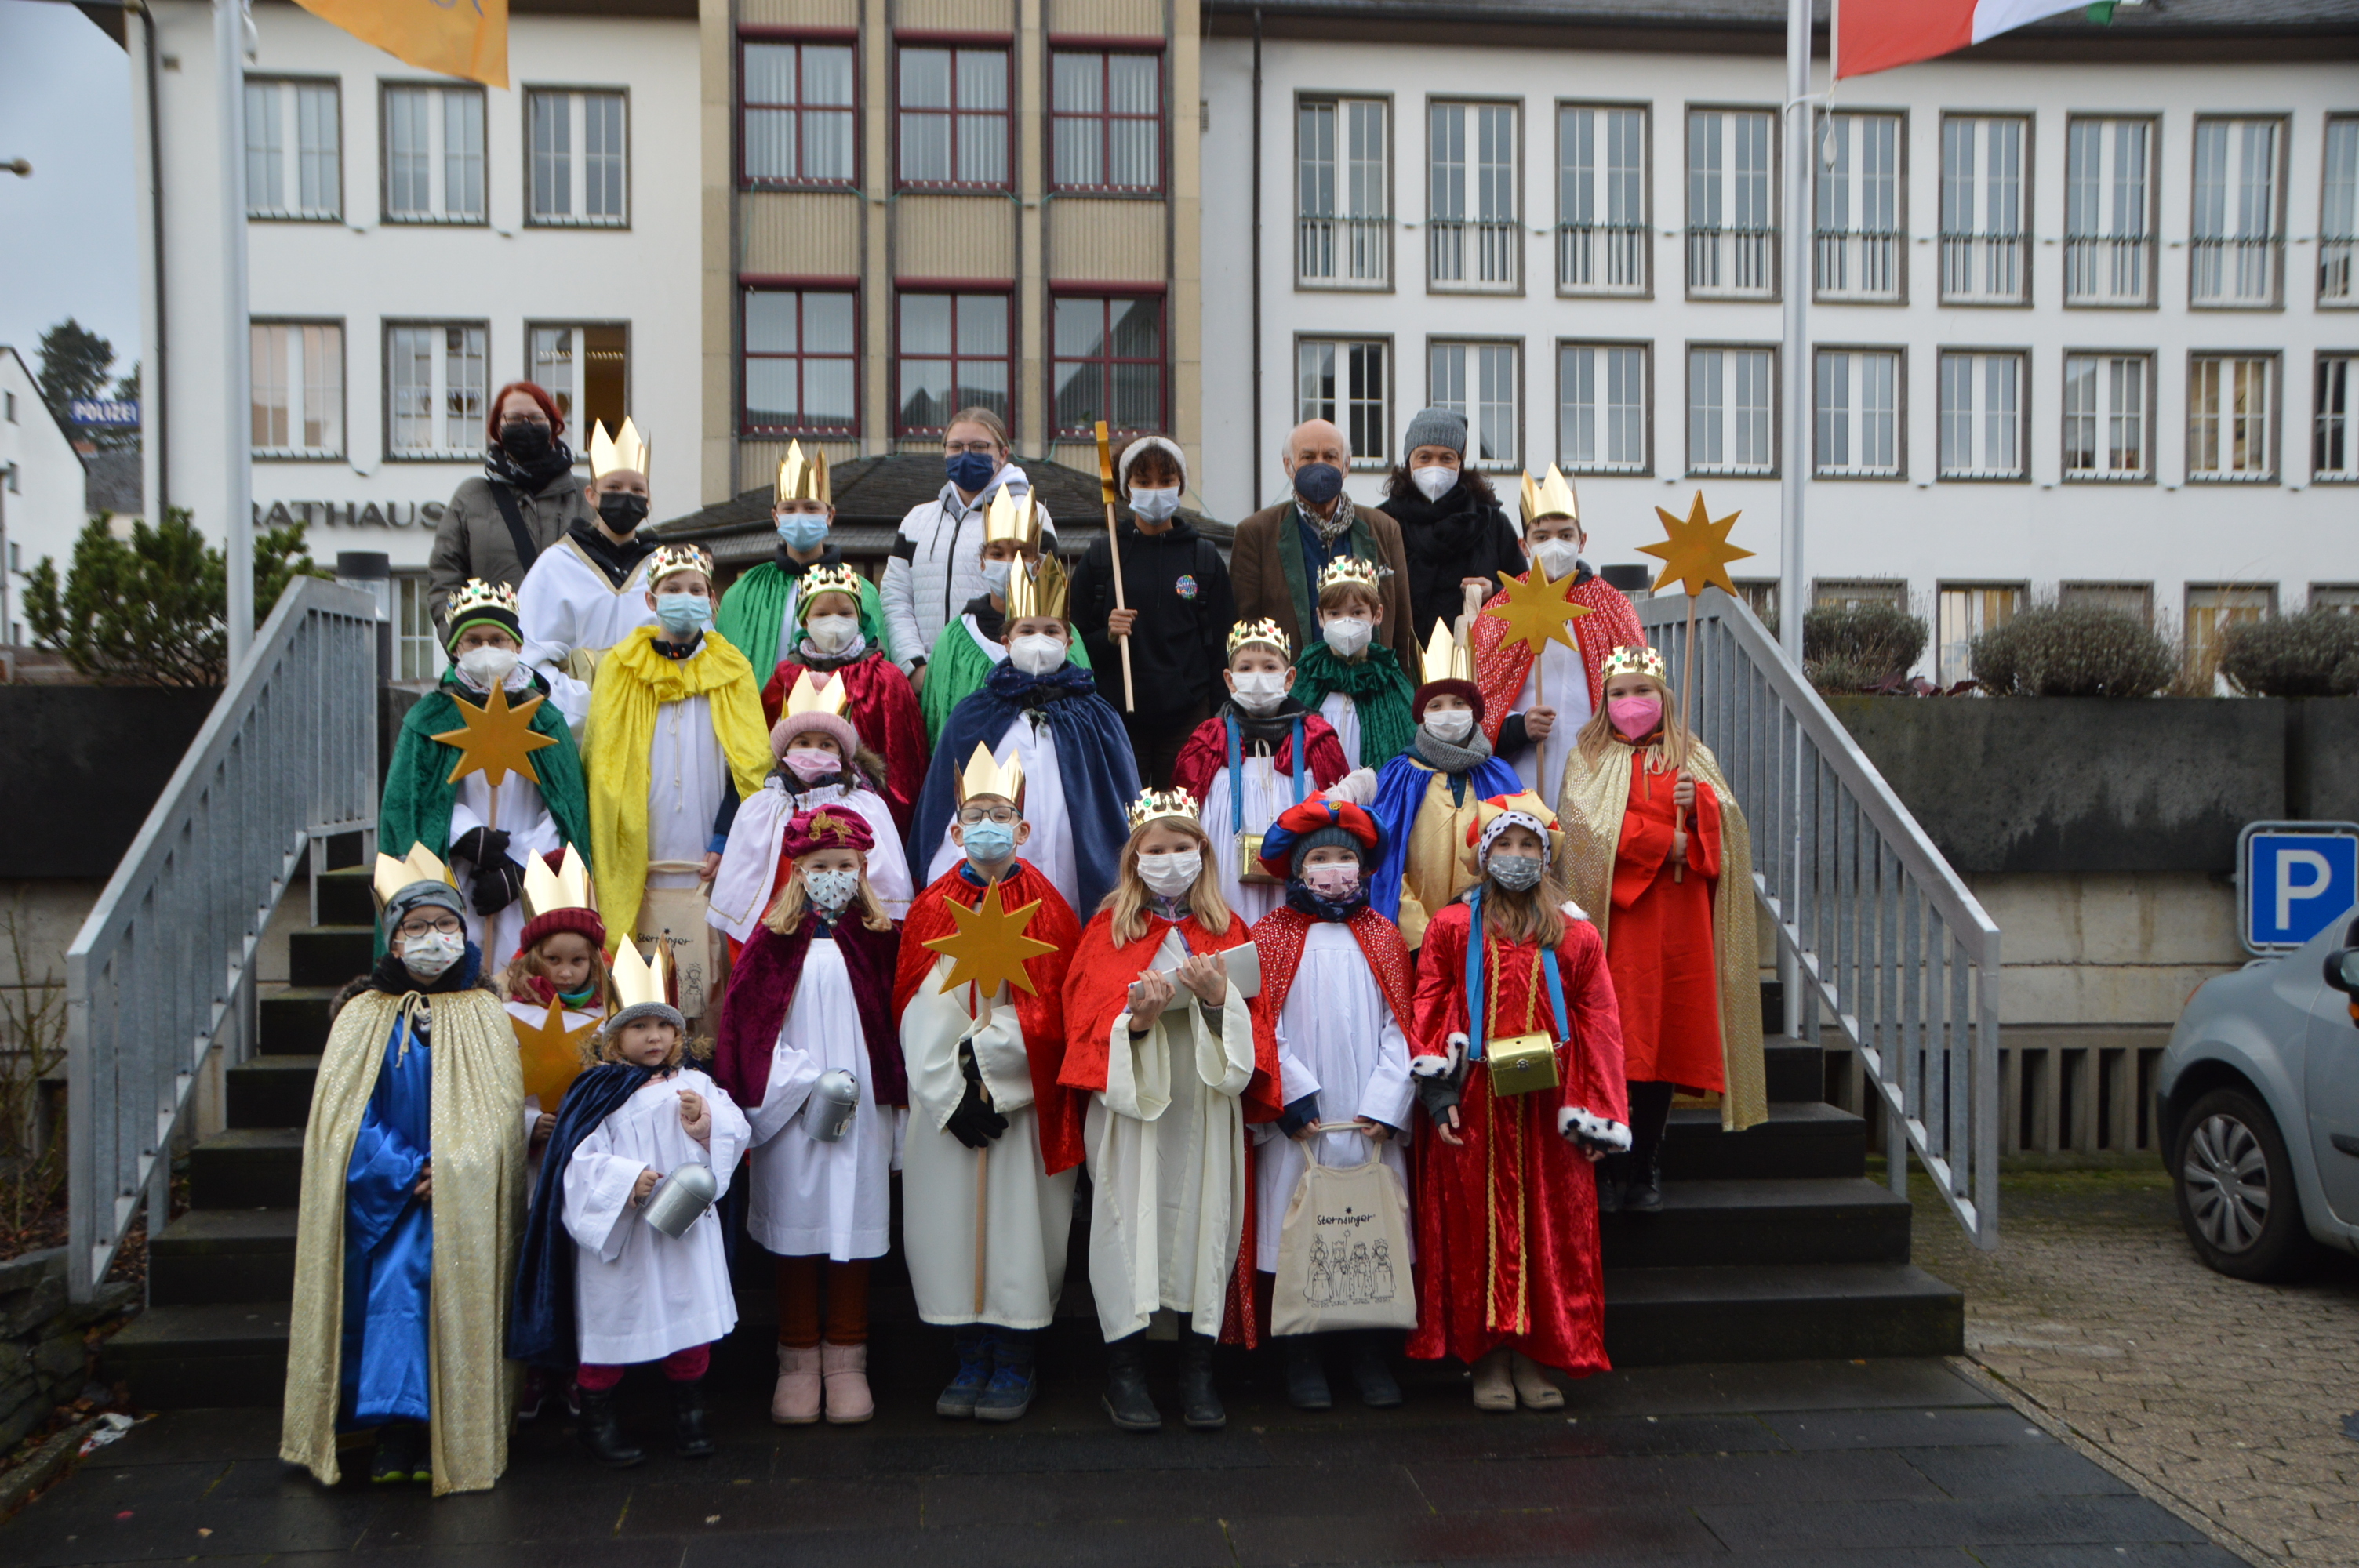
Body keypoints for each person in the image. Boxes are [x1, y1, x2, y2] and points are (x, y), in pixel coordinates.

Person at [281, 851, 525, 1494]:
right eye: (416, 928)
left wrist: (455, 1166)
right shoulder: (360, 1017)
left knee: (454, 1302)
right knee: (392, 1299)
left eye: (444, 925)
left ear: (464, 932)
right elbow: (342, 1116)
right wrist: (402, 1170)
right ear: (393, 940)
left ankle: (451, 1428)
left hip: (458, 1193)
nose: (432, 939)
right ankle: (394, 1431)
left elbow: (499, 1112)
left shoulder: (484, 1012)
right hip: (385, 1199)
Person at [1059, 788, 1281, 1433]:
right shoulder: (1108, 931)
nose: (1171, 860)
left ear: (1203, 854)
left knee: (1203, 1224)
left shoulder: (1226, 929)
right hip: (1134, 1108)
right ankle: (1124, 1374)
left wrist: (1217, 1004)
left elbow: (1255, 1027)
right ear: (1134, 861)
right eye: (1157, 851)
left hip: (1205, 1100)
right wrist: (1137, 1021)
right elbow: (1084, 1022)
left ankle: (1196, 1371)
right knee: (1129, 1227)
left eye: (1182, 848)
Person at [1406, 794, 1629, 1411]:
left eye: (1528, 845)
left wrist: (1594, 1108)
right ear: (1483, 855)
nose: (1516, 856)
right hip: (1477, 1099)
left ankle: (1536, 1354)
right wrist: (1439, 1090)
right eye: (1503, 845)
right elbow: (1430, 1000)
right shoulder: (1453, 926)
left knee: (1551, 1227)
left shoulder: (1577, 932)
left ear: (1546, 855)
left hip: (1551, 1103)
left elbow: (1602, 1021)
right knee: (1476, 1227)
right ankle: (1487, 1358)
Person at [894, 746, 1085, 1423]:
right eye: (975, 814)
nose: (987, 824)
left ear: (1023, 829)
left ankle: (1015, 1358)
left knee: (1018, 1227)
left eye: (999, 814)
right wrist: (950, 1086)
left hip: (1020, 1100)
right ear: (954, 831)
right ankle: (968, 1354)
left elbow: (1061, 1005)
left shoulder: (1050, 907)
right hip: (947, 1101)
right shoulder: (931, 907)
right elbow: (914, 1002)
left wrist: (995, 1061)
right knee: (949, 1227)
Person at [518, 942, 749, 1467]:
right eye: (639, 1028)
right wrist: (627, 1180)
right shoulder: (596, 1091)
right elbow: (575, 1165)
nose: (654, 1037)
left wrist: (708, 1124)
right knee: (612, 1326)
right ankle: (598, 1422)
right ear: (614, 1038)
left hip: (685, 1231)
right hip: (624, 1236)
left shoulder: (696, 1084)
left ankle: (688, 1419)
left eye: (663, 1027)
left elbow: (737, 1130)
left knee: (690, 1327)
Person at [1554, 644, 1766, 1211]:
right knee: (1612, 1039)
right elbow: (1582, 831)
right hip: (1617, 923)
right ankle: (1602, 1159)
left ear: (1664, 696)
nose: (1631, 702)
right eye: (1619, 693)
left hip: (1678, 925)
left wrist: (1698, 810)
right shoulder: (1587, 757)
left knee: (1664, 1041)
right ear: (1604, 701)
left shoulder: (1691, 755)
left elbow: (1734, 831)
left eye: (1642, 691)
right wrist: (1661, 839)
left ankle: (1646, 1160)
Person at [713, 805, 904, 1427]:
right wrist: (797, 1081)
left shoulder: (879, 941)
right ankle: (796, 1358)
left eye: (844, 866)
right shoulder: (772, 943)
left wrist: (892, 1102)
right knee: (797, 1224)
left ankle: (848, 1358)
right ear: (797, 870)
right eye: (821, 866)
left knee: (854, 1226)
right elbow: (746, 1029)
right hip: (791, 1112)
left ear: (862, 868)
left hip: (866, 1105)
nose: (833, 875)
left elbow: (895, 1023)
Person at [1245, 797, 1416, 1412]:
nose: (1333, 868)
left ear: (1365, 868)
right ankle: (1302, 1357)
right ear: (1296, 870)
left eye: (1345, 857)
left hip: (1368, 1120)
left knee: (1370, 1234)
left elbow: (1402, 1026)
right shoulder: (1270, 937)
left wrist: (1388, 1100)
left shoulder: (1384, 936)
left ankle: (1369, 1354)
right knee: (1301, 1232)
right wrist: (1290, 1094)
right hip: (1303, 1120)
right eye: (1319, 857)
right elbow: (1261, 1022)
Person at [583, 543, 773, 1026]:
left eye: (695, 589)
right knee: (642, 980)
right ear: (651, 599)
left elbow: (747, 764)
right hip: (642, 852)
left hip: (707, 855)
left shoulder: (732, 669)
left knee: (707, 982)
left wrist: (727, 836)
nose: (683, 598)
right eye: (672, 589)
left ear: (712, 600)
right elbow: (604, 762)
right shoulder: (621, 669)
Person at [911, 541, 1140, 920]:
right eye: (1027, 630)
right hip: (992, 870)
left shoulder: (1096, 716)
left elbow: (1118, 806)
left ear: (1068, 643)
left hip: (1074, 866)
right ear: (1006, 642)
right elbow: (942, 805)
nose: (1039, 639)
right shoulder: (974, 714)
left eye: (1051, 631)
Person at [378, 579, 591, 969]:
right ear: (456, 648)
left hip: (528, 883)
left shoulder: (545, 719)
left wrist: (521, 866)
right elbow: (411, 802)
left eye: (497, 639)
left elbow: (566, 810)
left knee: (523, 980)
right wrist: (465, 833)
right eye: (473, 641)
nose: (486, 650)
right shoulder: (429, 718)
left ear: (517, 646)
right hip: (455, 877)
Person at [1471, 466, 1647, 800]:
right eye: (1542, 536)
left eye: (1566, 535)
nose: (1555, 545)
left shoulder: (1614, 606)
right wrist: (1515, 726)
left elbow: (1639, 687)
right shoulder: (1499, 610)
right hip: (1521, 763)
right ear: (1524, 545)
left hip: (1594, 761)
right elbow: (1481, 693)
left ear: (1582, 540)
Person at [711, 670, 915, 956]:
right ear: (786, 750)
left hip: (847, 943)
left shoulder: (867, 807)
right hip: (776, 938)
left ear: (842, 754)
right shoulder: (758, 809)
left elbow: (884, 888)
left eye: (826, 744)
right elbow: (743, 895)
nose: (814, 751)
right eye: (803, 743)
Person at [1069, 436, 1235, 788]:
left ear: (1181, 486)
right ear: (1128, 488)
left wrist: (1221, 719)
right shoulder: (1102, 557)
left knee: (1179, 819)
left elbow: (1223, 645)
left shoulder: (1203, 557)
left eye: (1166, 480)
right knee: (1123, 819)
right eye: (1144, 481)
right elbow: (1072, 642)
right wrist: (1108, 637)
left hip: (1187, 716)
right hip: (1118, 717)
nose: (1155, 490)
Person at [1169, 619, 1353, 924]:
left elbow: (1343, 817)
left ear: (1289, 677)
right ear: (1229, 680)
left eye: (1269, 667)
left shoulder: (1316, 738)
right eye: (1245, 668)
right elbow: (1182, 819)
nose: (1257, 677)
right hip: (1226, 869)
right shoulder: (1208, 740)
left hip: (1297, 870)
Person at [1367, 623, 1521, 951]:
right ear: (1421, 715)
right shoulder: (1399, 775)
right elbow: (1387, 861)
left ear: (1475, 712)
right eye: (1435, 706)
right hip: (1417, 942)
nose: (1447, 713)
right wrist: (1420, 937)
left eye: (1458, 703)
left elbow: (1519, 852)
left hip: (1491, 934)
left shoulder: (1499, 775)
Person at [1228, 418, 1417, 672]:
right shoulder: (1256, 533)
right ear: (1289, 465)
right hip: (1291, 695)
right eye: (1307, 457)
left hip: (1370, 691)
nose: (1319, 464)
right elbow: (1244, 626)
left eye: (1330, 456)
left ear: (1346, 465)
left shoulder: (1384, 529)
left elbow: (1403, 632)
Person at [881, 406, 1058, 676]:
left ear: (1003, 453)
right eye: (955, 447)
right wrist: (914, 666)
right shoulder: (917, 520)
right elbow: (896, 600)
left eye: (979, 447)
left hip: (1000, 675)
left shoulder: (1030, 515)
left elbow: (1043, 603)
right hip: (926, 677)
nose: (966, 455)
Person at [915, 488, 1095, 747]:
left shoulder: (1064, 635)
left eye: (1022, 553)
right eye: (997, 554)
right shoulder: (956, 638)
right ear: (982, 563)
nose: (1010, 563)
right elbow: (936, 721)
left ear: (1038, 563)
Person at [758, 563, 927, 831]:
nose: (834, 621)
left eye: (845, 613)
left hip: (865, 815)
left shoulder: (885, 679)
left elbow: (905, 766)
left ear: (859, 619)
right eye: (822, 614)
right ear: (805, 621)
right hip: (792, 810)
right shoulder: (785, 678)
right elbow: (762, 747)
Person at [517, 418, 660, 729]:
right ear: (591, 495)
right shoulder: (555, 566)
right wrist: (586, 707)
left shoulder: (665, 569)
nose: (626, 495)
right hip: (577, 726)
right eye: (613, 487)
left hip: (652, 722)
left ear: (648, 501)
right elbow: (530, 654)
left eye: (637, 489)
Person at [427, 381, 594, 634]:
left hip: (572, 658)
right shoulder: (472, 497)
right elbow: (445, 579)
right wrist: (463, 643)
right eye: (514, 418)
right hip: (497, 656)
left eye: (537, 417)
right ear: (498, 428)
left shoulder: (588, 496)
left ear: (553, 425)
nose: (526, 425)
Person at [716, 443, 890, 680]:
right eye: (789, 509)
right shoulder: (745, 591)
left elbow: (877, 671)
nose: (800, 516)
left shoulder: (861, 591)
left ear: (829, 516)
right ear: (776, 517)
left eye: (811, 508)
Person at [1379, 406, 1528, 646]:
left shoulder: (1491, 522)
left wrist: (1497, 591)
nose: (1435, 466)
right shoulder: (1384, 523)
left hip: (1477, 666)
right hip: (1401, 668)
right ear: (1409, 461)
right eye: (1424, 457)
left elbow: (1526, 596)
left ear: (1460, 463)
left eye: (1447, 458)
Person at [1288, 557, 1418, 773]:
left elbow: (1409, 742)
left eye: (1357, 612)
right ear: (1321, 617)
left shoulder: (1391, 680)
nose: (1345, 621)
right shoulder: (1305, 677)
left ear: (1377, 615)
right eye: (1335, 613)